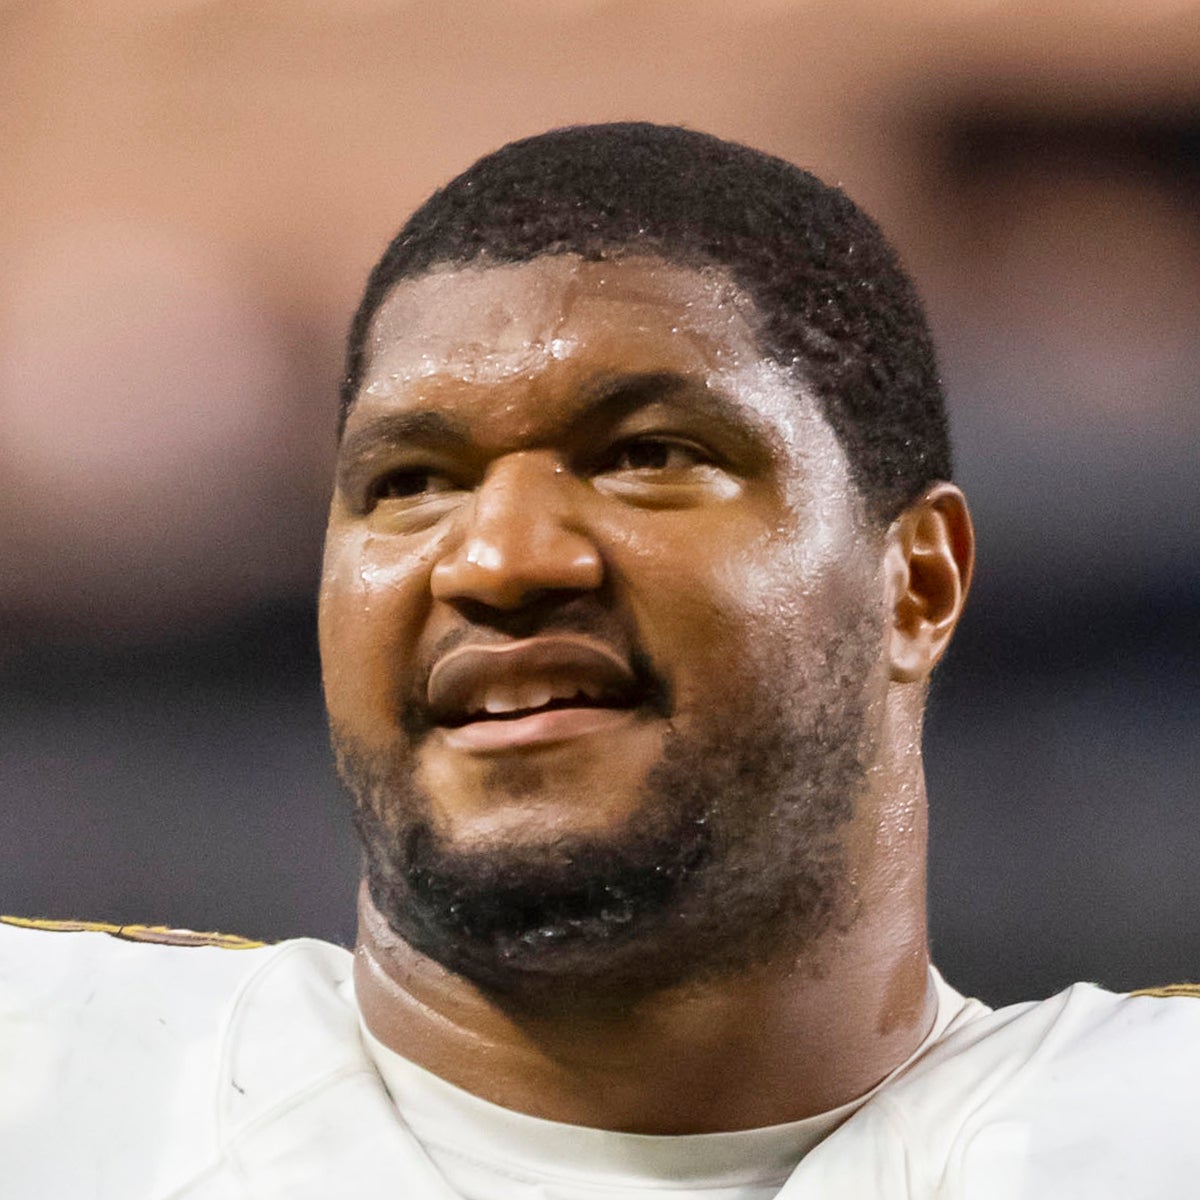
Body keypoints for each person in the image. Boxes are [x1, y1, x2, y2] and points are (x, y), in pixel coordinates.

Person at [2, 122, 1196, 1198]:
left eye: (649, 454)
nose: (498, 559)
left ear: (918, 580)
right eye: (408, 483)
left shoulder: (1147, 1132)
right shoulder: (50, 1084)